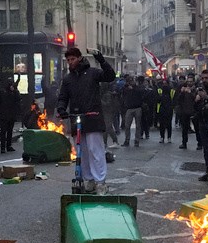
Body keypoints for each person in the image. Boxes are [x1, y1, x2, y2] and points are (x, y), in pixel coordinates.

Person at [56, 45, 116, 194]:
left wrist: (101, 59)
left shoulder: (93, 73)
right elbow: (63, 97)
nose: (70, 62)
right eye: (68, 59)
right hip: (77, 119)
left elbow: (110, 76)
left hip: (93, 117)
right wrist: (61, 109)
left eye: (73, 59)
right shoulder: (68, 79)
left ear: (80, 58)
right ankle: (89, 180)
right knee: (82, 152)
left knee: (95, 150)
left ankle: (100, 181)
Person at [0, 80, 21, 153]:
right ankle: (5, 147)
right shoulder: (5, 93)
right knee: (5, 132)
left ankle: (7, 146)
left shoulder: (12, 93)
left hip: (8, 115)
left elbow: (18, 99)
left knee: (8, 131)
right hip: (6, 115)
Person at [120, 75, 144, 147]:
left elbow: (141, 93)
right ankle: (127, 140)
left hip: (137, 107)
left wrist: (133, 88)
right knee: (127, 125)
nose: (131, 82)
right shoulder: (126, 88)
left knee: (138, 125)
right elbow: (123, 94)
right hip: (129, 108)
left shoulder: (137, 88)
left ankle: (136, 140)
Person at [174, 75, 196, 149]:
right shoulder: (183, 88)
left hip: (194, 111)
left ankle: (200, 143)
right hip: (185, 111)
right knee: (184, 128)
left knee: (197, 128)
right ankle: (184, 143)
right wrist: (182, 92)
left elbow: (196, 99)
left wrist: (190, 92)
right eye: (188, 81)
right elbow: (178, 99)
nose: (189, 83)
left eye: (191, 81)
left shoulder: (196, 89)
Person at [155, 77, 174, 143]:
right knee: (162, 124)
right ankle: (162, 137)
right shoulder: (159, 90)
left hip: (169, 109)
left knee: (169, 124)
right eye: (163, 84)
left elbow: (173, 100)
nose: (164, 85)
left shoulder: (171, 91)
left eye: (166, 84)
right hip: (161, 109)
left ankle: (169, 137)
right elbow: (157, 100)